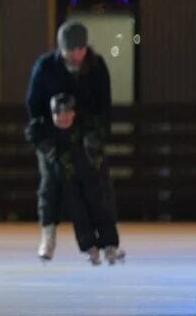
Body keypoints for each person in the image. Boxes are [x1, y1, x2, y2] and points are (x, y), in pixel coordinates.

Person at [24, 20, 124, 264]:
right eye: (71, 50)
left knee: (97, 188)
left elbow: (104, 106)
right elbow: (33, 105)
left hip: (86, 137)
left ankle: (107, 242)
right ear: (61, 49)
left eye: (80, 49)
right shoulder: (46, 67)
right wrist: (44, 137)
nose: (76, 55)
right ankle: (48, 236)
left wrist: (97, 135)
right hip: (54, 137)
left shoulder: (96, 67)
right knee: (51, 185)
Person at [42, 93, 124, 265]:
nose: (62, 118)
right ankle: (89, 247)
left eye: (66, 113)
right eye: (58, 114)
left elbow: (97, 139)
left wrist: (95, 153)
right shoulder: (51, 134)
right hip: (70, 180)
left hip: (91, 175)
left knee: (100, 207)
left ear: (73, 113)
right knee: (79, 213)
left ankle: (109, 245)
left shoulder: (85, 127)